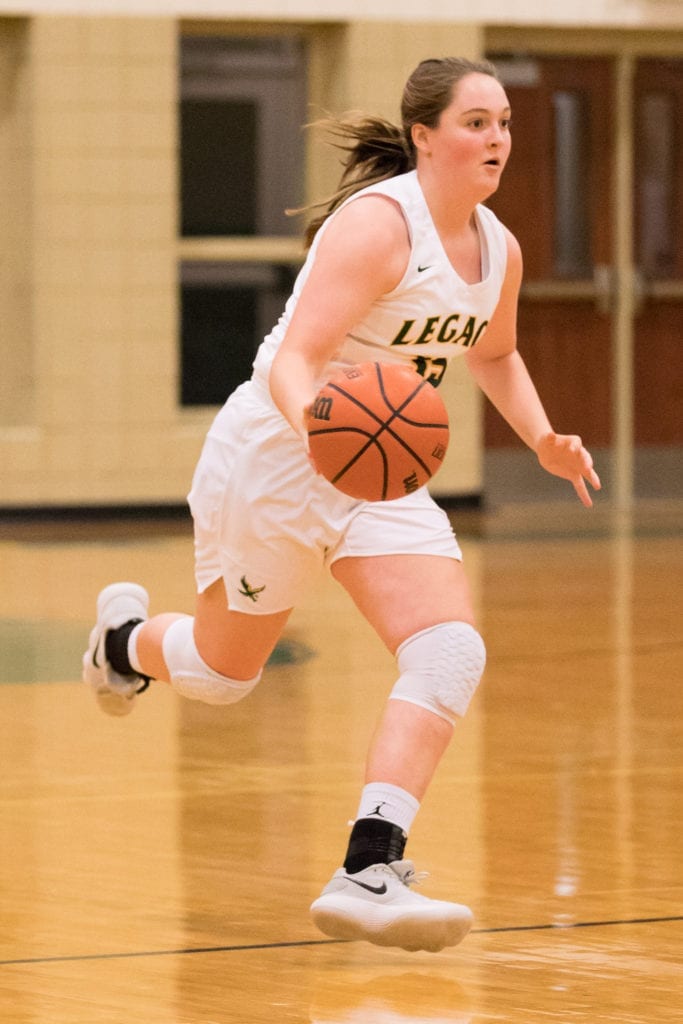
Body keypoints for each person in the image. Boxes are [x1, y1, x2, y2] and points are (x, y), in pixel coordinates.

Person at [83, 57, 600, 953]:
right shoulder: (377, 227)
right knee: (222, 676)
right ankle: (122, 645)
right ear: (425, 137)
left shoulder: (498, 249)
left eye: (505, 123)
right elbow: (296, 358)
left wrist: (543, 437)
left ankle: (369, 867)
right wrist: (324, 429)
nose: (497, 139)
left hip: (378, 470)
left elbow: (493, 353)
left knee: (448, 649)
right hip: (278, 458)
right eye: (476, 123)